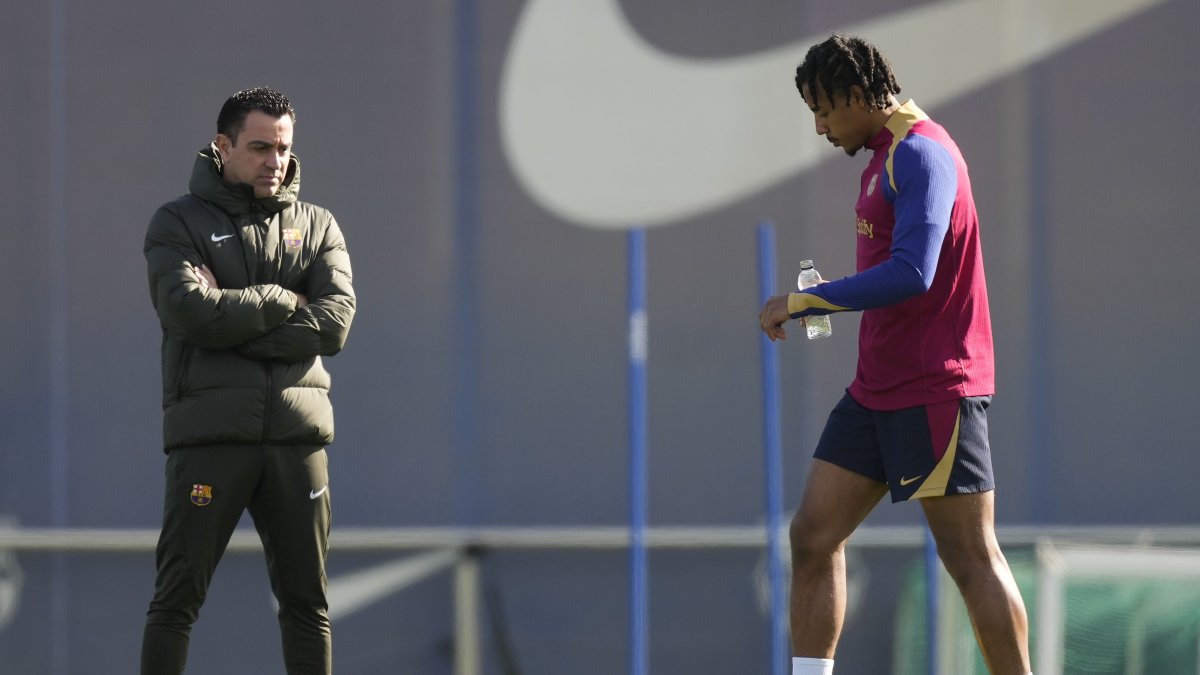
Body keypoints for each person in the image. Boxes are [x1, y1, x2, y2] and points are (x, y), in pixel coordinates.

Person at [758, 35, 1031, 675]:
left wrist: (807, 302)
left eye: (825, 110)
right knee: (814, 535)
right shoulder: (883, 154)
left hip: (936, 388)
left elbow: (914, 273)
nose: (820, 126)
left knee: (971, 558)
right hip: (876, 388)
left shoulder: (923, 153)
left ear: (860, 95)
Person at [141, 86, 355, 675]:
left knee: (307, 605)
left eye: (283, 148)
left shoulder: (317, 224)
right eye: (260, 147)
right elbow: (185, 309)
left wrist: (231, 316)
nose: (275, 162)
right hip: (212, 439)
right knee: (176, 603)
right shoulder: (177, 221)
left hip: (296, 440)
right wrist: (284, 299)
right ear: (223, 144)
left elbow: (334, 324)